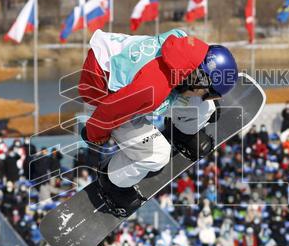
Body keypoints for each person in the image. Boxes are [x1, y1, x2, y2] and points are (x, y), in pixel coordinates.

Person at [76, 29, 239, 216]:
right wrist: (94, 135)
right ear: (199, 78)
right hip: (103, 92)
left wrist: (204, 98)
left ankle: (182, 133)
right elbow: (110, 110)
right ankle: (112, 180)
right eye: (206, 92)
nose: (204, 97)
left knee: (204, 108)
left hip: (125, 77)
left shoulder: (186, 49)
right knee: (157, 154)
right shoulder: (151, 89)